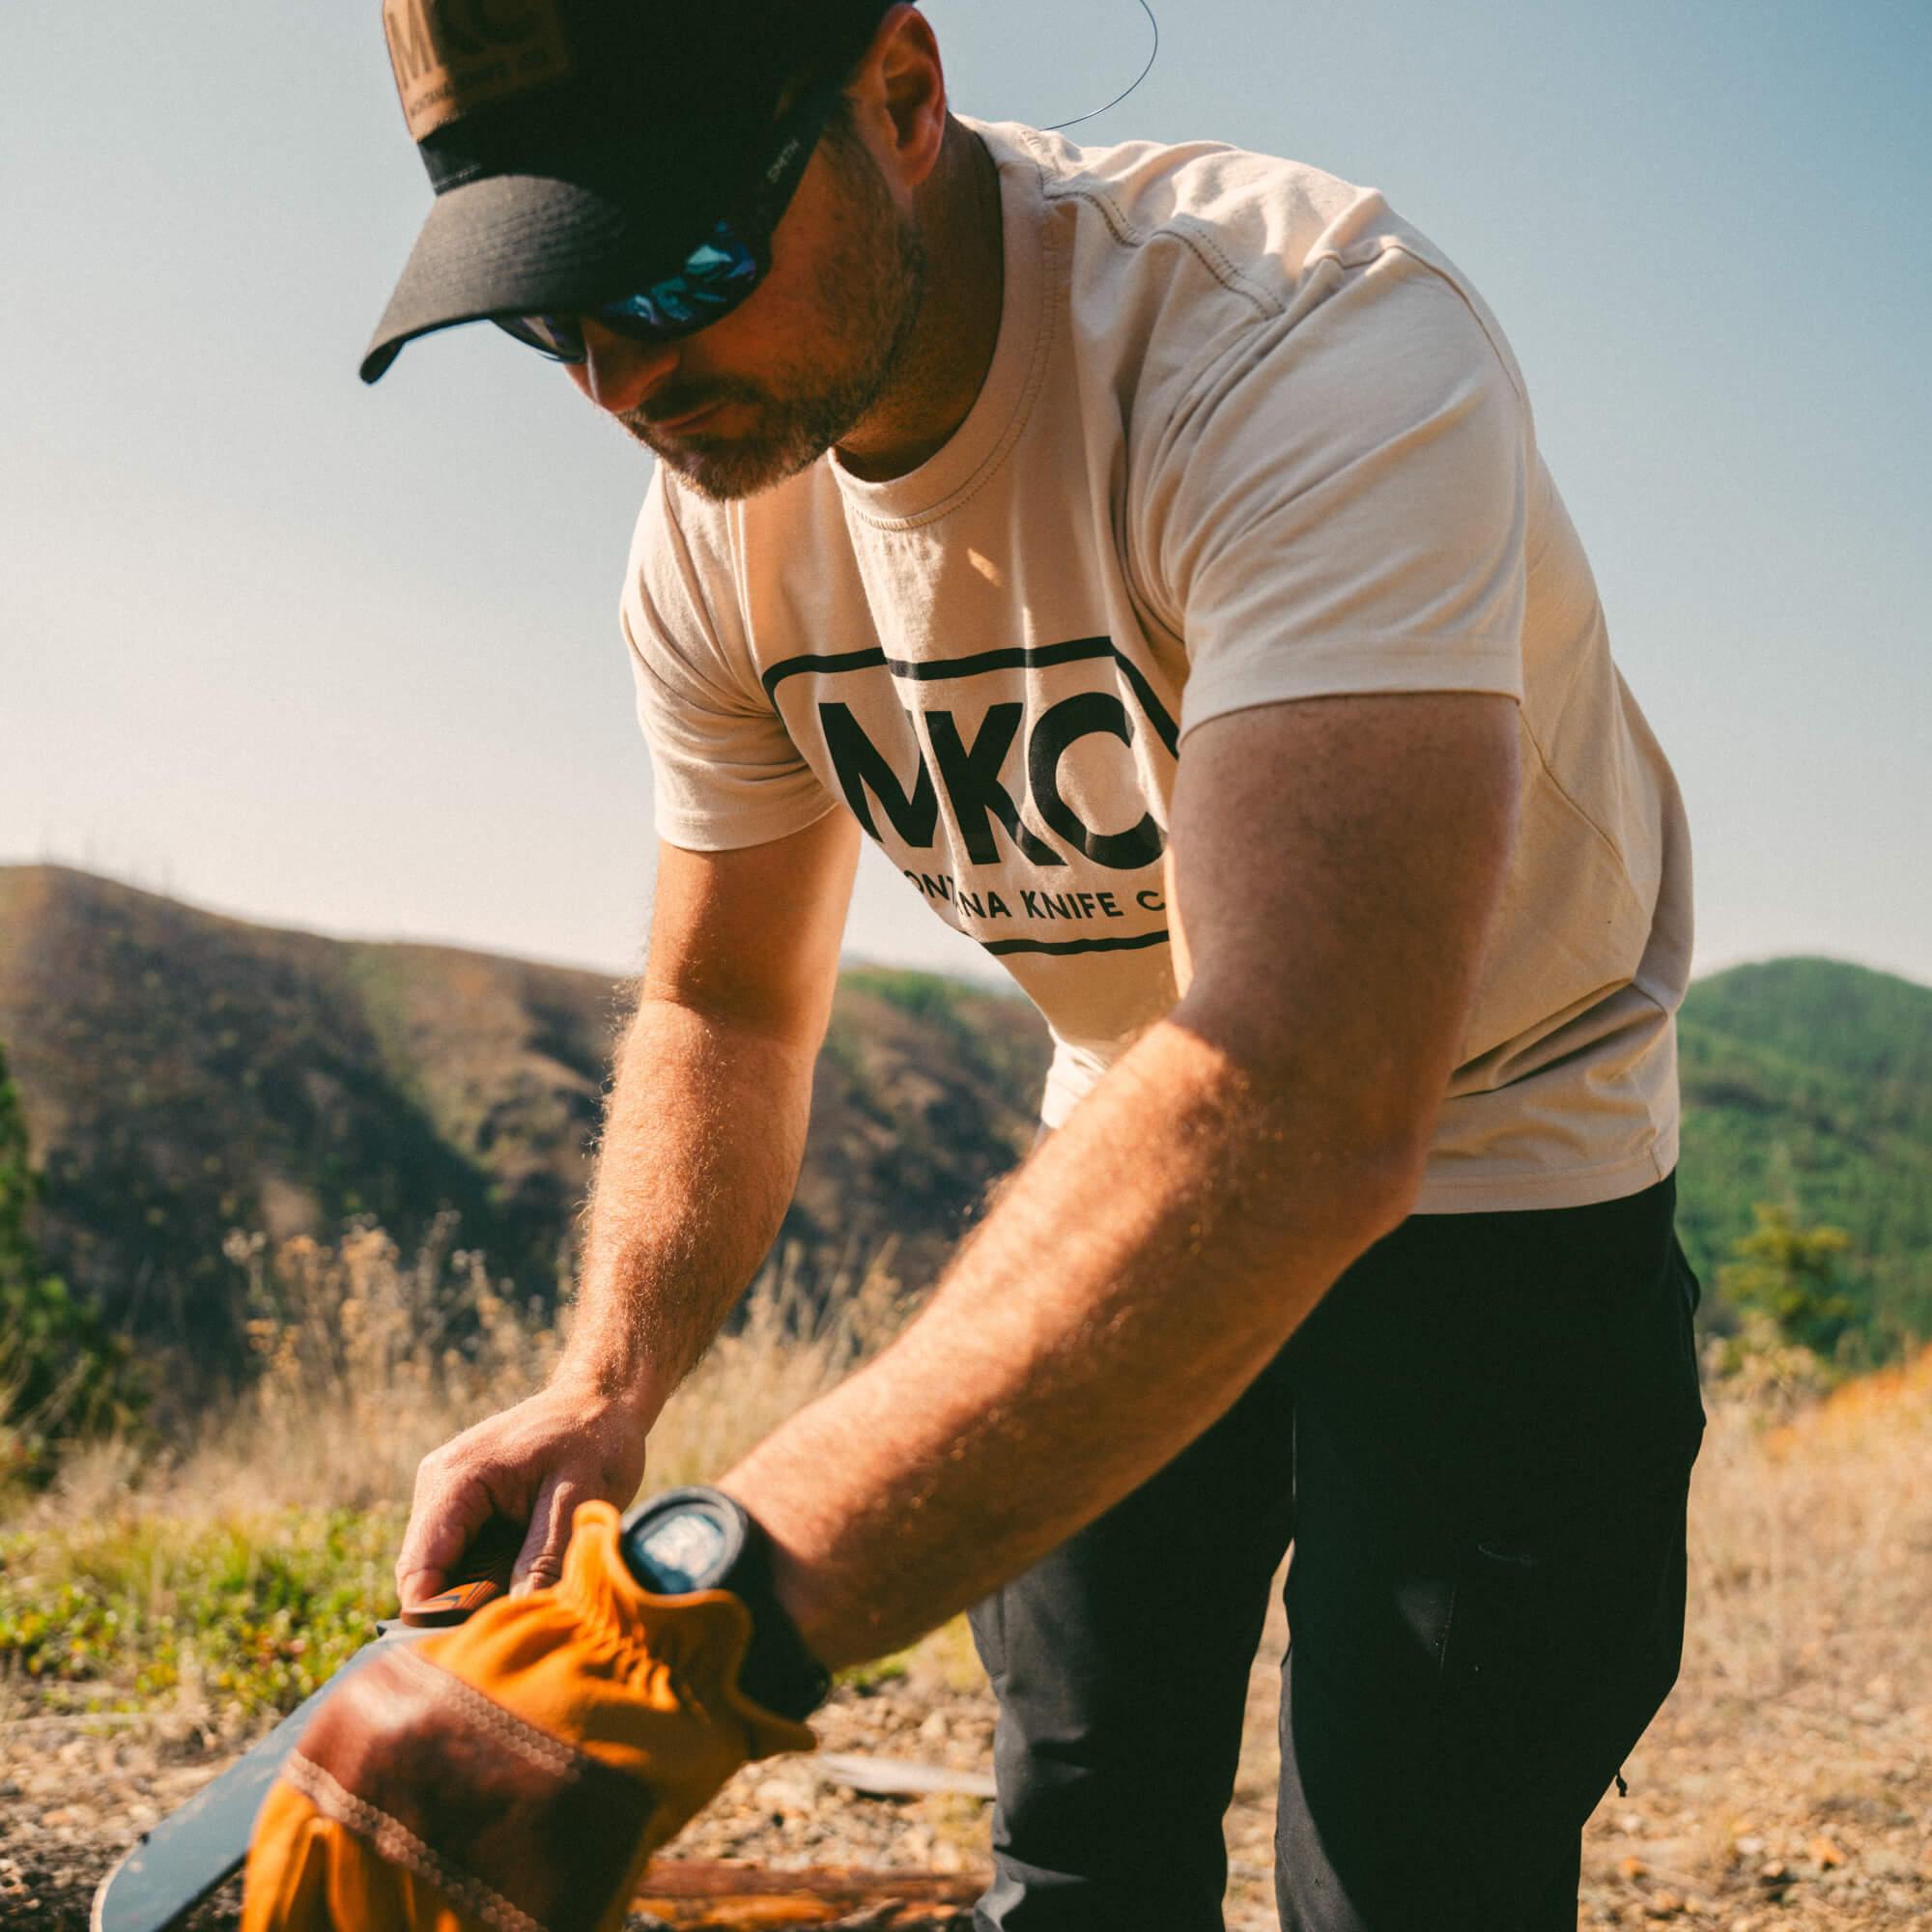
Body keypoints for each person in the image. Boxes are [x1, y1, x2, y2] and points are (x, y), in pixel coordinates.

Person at [262, 2, 1707, 1926]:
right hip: (1133, 1125)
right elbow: (727, 1001)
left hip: (1505, 1150)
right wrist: (602, 1391)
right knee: (1078, 1852)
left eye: (682, 266)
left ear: (900, 92)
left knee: (1411, 1875)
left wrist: (696, 1615)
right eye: (555, 311)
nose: (627, 376)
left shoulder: (1304, 345)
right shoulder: (713, 535)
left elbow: (1304, 1083)